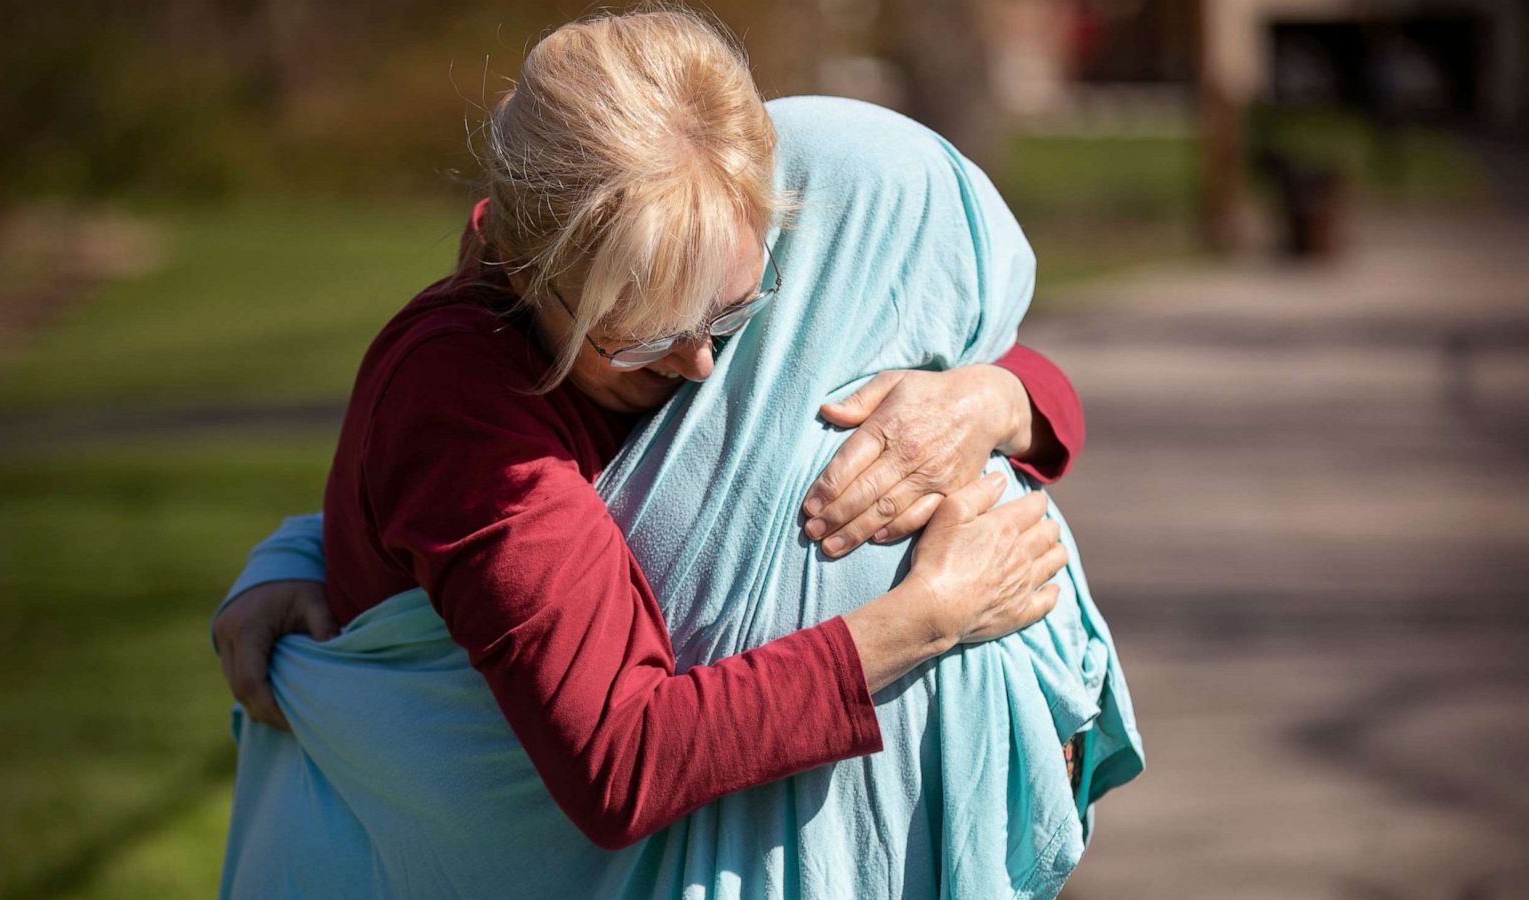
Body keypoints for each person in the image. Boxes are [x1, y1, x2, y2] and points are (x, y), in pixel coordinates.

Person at [213, 10, 1141, 898]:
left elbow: (1000, 369)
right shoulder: (464, 404)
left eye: (733, 316)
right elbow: (621, 763)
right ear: (527, 267)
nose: (702, 364)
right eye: (642, 339)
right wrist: (929, 616)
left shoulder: (683, 251)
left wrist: (991, 400)